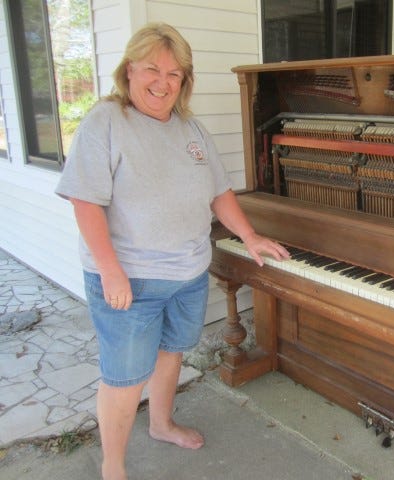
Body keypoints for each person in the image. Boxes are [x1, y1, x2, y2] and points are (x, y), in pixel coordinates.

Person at [55, 22, 289, 480]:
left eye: (174, 73)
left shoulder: (191, 128)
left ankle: (161, 424)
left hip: (187, 274)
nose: (162, 82)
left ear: (185, 81)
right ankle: (113, 467)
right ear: (129, 71)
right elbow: (85, 202)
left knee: (170, 355)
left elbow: (220, 193)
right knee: (124, 380)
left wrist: (249, 236)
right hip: (130, 279)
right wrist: (110, 271)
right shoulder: (106, 122)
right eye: (151, 70)